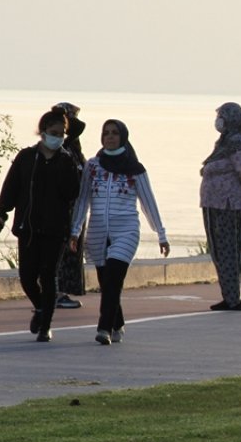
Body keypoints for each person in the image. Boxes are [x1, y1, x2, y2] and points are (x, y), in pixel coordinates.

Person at [69, 120, 170, 345]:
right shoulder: (93, 166)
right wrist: (75, 230)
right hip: (97, 233)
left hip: (126, 230)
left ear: (123, 137)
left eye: (115, 133)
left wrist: (161, 234)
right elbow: (83, 199)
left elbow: (148, 203)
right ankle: (118, 323)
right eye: (106, 133)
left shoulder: (135, 169)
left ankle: (103, 328)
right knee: (107, 283)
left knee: (114, 277)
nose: (110, 137)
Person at [0, 108, 81, 342]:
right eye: (53, 133)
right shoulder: (26, 157)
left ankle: (46, 327)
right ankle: (41, 308)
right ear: (42, 132)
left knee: (49, 274)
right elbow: (11, 186)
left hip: (55, 229)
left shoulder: (66, 160)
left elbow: (73, 192)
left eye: (62, 134)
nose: (57, 138)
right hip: (28, 228)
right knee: (27, 277)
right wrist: (1, 213)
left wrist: (69, 164)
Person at [200, 102, 241, 311]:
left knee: (228, 252)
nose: (218, 121)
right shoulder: (226, 141)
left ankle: (234, 298)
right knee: (226, 252)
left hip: (229, 206)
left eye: (221, 116)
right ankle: (233, 295)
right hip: (219, 204)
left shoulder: (237, 142)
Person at [54, 102, 87, 310]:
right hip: (63, 209)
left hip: (75, 209)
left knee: (69, 251)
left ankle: (60, 291)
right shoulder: (61, 149)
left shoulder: (73, 148)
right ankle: (57, 292)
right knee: (62, 252)